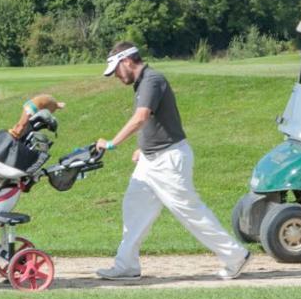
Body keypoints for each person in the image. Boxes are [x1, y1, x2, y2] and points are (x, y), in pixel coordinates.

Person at [93, 41, 251, 281]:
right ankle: (126, 265)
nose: (115, 76)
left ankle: (235, 256)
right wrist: (141, 148)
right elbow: (154, 122)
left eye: (116, 70)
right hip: (151, 160)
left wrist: (113, 143)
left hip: (169, 160)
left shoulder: (152, 80)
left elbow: (141, 117)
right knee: (134, 207)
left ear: (127, 62)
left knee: (190, 212)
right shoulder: (143, 82)